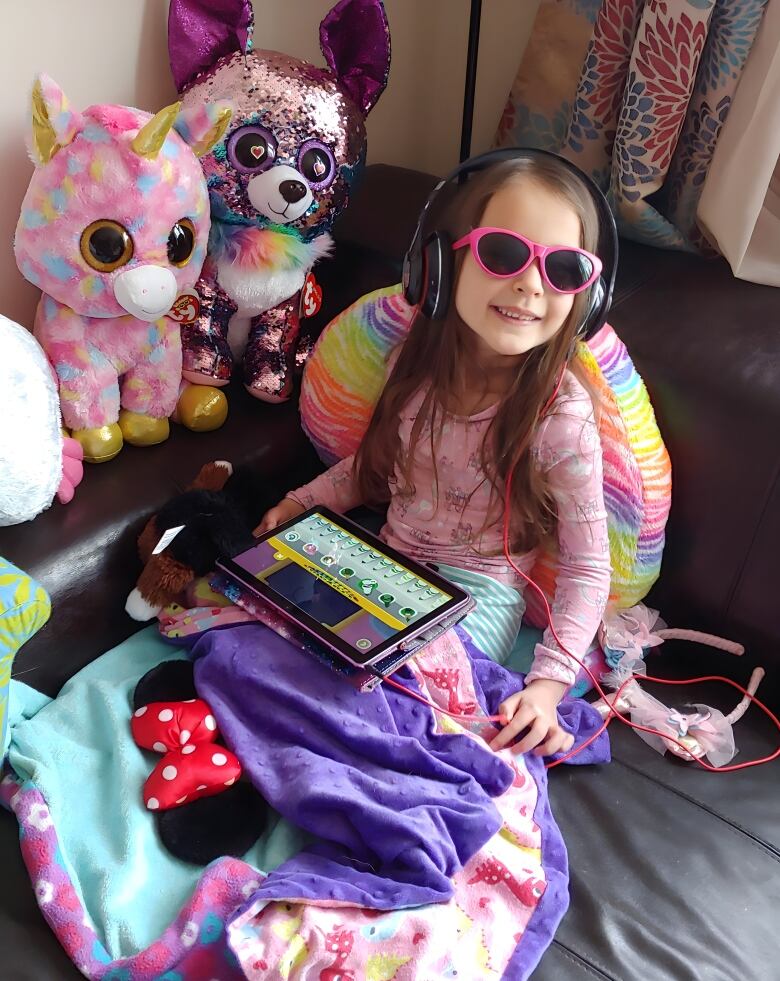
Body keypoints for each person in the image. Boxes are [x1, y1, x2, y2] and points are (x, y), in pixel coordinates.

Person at [257, 153, 612, 759]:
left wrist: (549, 686)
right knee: (270, 636)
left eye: (564, 268)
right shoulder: (410, 366)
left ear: (588, 295)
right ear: (440, 267)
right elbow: (373, 470)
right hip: (383, 566)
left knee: (391, 703)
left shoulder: (562, 418)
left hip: (478, 599)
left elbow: (587, 567)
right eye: (504, 254)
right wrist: (300, 503)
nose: (531, 285)